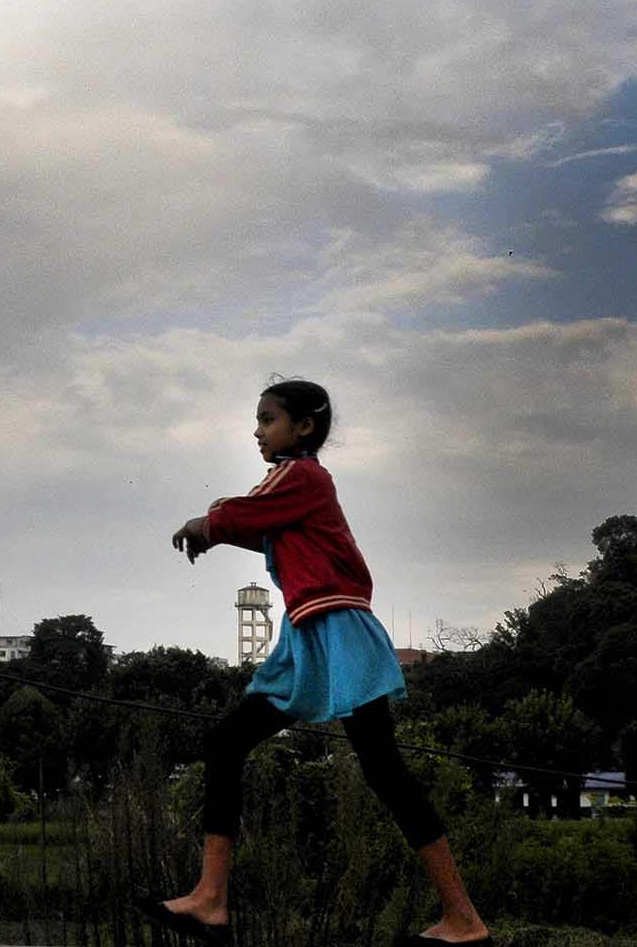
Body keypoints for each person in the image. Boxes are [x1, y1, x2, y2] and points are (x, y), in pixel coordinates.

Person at [134, 379, 490, 946]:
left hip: (339, 633)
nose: (257, 430)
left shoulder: (301, 475)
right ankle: (209, 899)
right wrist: (223, 530)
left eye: (267, 419)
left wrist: (206, 525)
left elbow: (243, 512)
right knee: (228, 744)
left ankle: (464, 920)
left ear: (302, 427)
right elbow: (267, 529)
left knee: (384, 771)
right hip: (305, 636)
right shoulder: (298, 488)